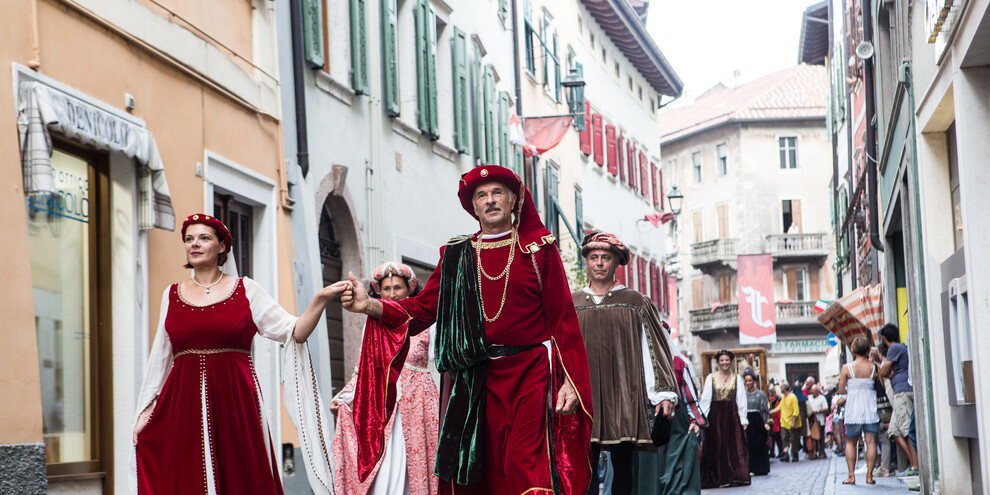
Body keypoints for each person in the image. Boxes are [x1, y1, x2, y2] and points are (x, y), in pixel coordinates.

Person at [339, 165, 593, 494]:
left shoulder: (537, 249)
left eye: (497, 192)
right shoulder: (457, 255)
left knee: (523, 463)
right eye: (481, 195)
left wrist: (570, 380)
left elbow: (563, 318)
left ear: (513, 200)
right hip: (472, 379)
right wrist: (371, 306)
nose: (490, 200)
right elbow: (422, 309)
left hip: (528, 372)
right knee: (478, 474)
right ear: (473, 207)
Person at [133, 214, 342, 494]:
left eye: (204, 238)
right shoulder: (171, 294)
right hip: (181, 405)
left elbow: (294, 331)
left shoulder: (246, 289)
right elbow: (160, 358)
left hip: (236, 402)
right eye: (189, 239)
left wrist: (320, 299)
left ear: (222, 246)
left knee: (241, 477)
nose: (194, 244)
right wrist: (146, 410)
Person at [571, 232, 677, 495]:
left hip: (624, 397)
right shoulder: (572, 304)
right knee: (584, 468)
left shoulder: (635, 302)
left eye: (605, 258)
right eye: (593, 257)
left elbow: (653, 349)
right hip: (584, 398)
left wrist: (663, 393)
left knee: (623, 466)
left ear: (616, 262)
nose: (599, 263)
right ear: (587, 262)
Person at [330, 262, 440, 495]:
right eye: (386, 289)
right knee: (384, 468)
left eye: (397, 288)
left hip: (418, 405)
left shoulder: (426, 324)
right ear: (379, 291)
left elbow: (443, 362)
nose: (392, 294)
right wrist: (345, 395)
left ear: (410, 289)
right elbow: (363, 370)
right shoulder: (372, 325)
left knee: (416, 465)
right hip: (383, 406)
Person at [699, 350, 750, 488]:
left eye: (727, 360)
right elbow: (706, 399)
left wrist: (743, 419)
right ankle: (717, 475)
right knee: (716, 444)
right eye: (722, 360)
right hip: (715, 416)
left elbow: (741, 399)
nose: (724, 363)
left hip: (732, 415)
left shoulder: (737, 378)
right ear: (718, 362)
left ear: (731, 361)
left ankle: (735, 475)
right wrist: (702, 418)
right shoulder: (711, 378)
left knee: (734, 446)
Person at [835, 336, 879, 485]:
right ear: (867, 350)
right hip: (870, 407)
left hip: (853, 408)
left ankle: (851, 476)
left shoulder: (846, 368)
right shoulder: (873, 368)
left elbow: (841, 390)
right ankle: (869, 476)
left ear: (853, 349)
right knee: (871, 442)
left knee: (851, 442)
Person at [878, 323, 919, 476]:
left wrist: (885, 370)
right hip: (899, 391)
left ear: (884, 338)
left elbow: (883, 372)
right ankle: (913, 462)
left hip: (902, 392)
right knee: (893, 430)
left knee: (906, 429)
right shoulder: (900, 348)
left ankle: (915, 466)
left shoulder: (894, 348)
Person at [742, 369, 771, 476]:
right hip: (747, 421)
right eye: (746, 381)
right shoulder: (742, 394)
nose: (748, 383)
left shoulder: (760, 394)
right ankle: (751, 468)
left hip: (757, 421)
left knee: (759, 444)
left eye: (750, 380)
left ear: (754, 381)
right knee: (748, 445)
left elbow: (764, 410)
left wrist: (765, 422)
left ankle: (761, 468)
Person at [778, 382, 802, 463]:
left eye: (781, 387)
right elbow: (779, 407)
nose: (780, 389)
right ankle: (786, 454)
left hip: (791, 422)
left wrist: (793, 422)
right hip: (784, 423)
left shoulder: (792, 397)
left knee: (794, 439)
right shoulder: (784, 398)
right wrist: (769, 411)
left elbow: (796, 411)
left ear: (783, 388)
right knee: (784, 438)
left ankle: (795, 454)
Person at [806, 385, 829, 459]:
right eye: (812, 391)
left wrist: (818, 411)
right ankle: (814, 452)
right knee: (812, 437)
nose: (813, 393)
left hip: (820, 420)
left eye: (814, 391)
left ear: (818, 391)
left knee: (821, 437)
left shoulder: (822, 398)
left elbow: (826, 408)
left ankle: (822, 451)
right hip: (811, 420)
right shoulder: (809, 398)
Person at [767, 385, 784, 459]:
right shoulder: (770, 402)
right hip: (771, 423)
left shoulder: (777, 403)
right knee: (772, 439)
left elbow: (779, 413)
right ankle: (772, 452)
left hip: (776, 423)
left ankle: (780, 452)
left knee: (778, 438)